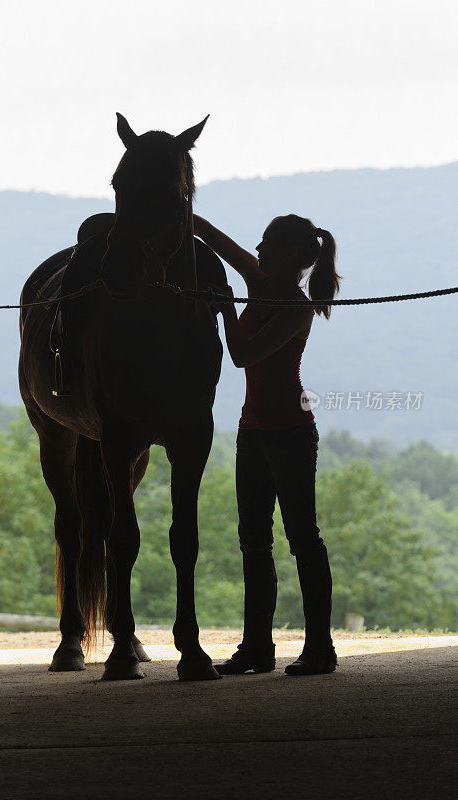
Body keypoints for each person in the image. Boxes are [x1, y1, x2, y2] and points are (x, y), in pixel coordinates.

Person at [193, 213, 342, 676]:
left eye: (268, 244)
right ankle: (257, 648)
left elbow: (242, 355)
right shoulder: (258, 279)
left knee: (302, 539)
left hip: (290, 435)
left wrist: (224, 309)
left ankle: (320, 649)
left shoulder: (296, 309)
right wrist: (178, 210)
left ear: (292, 255)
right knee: (254, 541)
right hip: (254, 431)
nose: (257, 248)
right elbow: (213, 236)